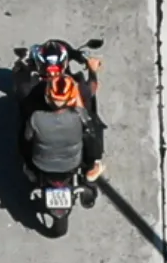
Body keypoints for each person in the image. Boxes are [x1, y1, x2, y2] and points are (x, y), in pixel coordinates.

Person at [14, 47, 106, 198]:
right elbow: (92, 86)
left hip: (40, 163)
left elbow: (26, 139)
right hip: (74, 162)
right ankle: (91, 169)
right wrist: (92, 70)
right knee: (94, 128)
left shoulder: (36, 116)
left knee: (22, 135)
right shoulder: (79, 115)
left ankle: (29, 170)